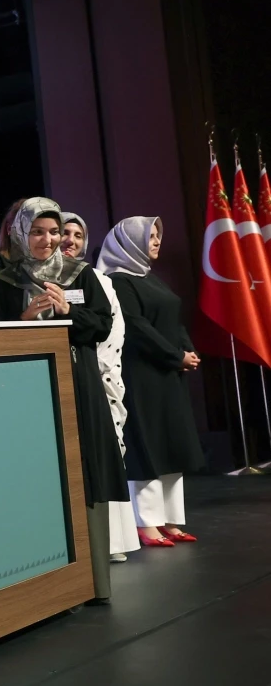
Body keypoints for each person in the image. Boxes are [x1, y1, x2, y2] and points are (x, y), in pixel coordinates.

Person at [0, 198, 125, 601]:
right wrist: (25, 320)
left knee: (84, 474)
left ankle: (93, 583)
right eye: (37, 231)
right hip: (25, 391)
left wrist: (68, 312)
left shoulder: (80, 274)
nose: (47, 240)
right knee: (39, 477)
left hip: (78, 384)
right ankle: (50, 588)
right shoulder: (5, 279)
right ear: (20, 233)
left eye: (53, 231)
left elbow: (101, 326)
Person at [97, 217, 205, 548]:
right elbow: (137, 329)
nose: (157, 241)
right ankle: (147, 523)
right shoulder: (119, 281)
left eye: (158, 235)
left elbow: (173, 320)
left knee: (172, 445)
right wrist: (176, 355)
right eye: (150, 236)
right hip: (141, 375)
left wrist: (187, 350)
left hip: (167, 373)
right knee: (149, 446)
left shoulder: (149, 277)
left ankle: (170, 520)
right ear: (128, 242)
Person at [61, 212, 141, 563]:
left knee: (107, 453)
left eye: (78, 235)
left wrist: (102, 367)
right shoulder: (46, 275)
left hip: (102, 370)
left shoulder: (96, 278)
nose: (70, 240)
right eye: (64, 232)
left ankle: (115, 541)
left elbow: (111, 325)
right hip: (74, 373)